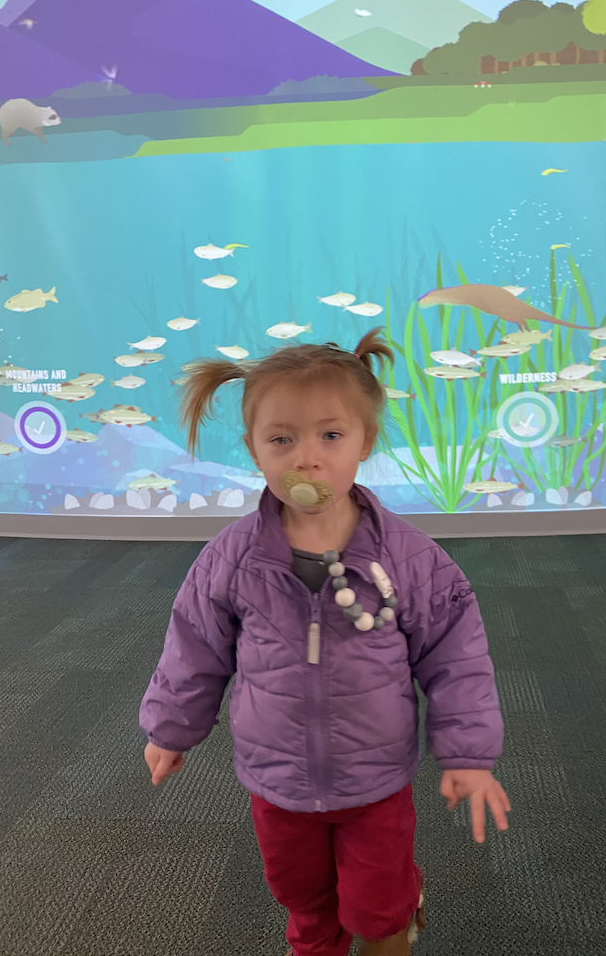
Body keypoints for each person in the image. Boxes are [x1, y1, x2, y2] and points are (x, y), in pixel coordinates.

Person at [139, 328, 511, 956]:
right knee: (304, 899)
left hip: (374, 777)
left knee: (377, 907)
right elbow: (194, 647)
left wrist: (468, 753)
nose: (305, 458)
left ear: (364, 442)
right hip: (276, 778)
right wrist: (171, 728)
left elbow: (457, 657)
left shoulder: (410, 558)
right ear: (256, 452)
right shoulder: (232, 558)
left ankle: (397, 910)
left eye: (330, 436)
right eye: (281, 439)